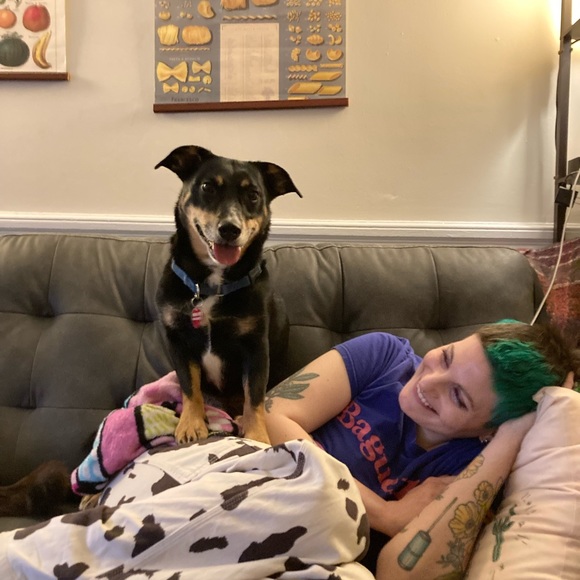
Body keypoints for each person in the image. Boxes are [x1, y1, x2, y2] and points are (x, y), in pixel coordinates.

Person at [264, 319, 579, 575]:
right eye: (446, 357)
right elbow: (270, 415)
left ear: (492, 429)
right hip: (263, 501)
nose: (428, 383)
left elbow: (401, 575)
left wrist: (510, 437)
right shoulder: (385, 356)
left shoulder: (473, 472)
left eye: (458, 397)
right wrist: (385, 514)